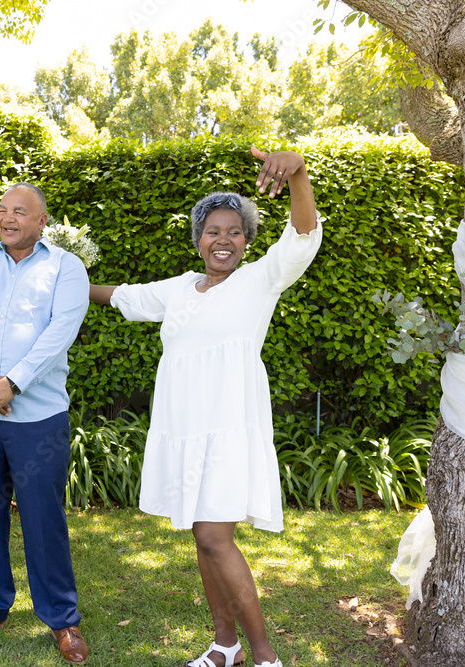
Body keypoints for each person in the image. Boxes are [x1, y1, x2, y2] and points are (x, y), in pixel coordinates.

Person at [89, 148, 322, 667]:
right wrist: (61, 279)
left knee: (215, 536)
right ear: (198, 239)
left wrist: (299, 173)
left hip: (227, 427)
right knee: (203, 537)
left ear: (247, 241)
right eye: (213, 230)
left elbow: (303, 236)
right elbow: (118, 295)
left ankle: (264, 657)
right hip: (184, 427)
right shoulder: (176, 290)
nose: (224, 239)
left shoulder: (260, 280)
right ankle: (226, 646)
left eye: (235, 231)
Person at [0, 182, 91, 664]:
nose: (8, 218)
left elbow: (60, 332)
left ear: (42, 221)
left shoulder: (65, 268)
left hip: (38, 417)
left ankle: (61, 619)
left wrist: (11, 384)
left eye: (20, 211)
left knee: (43, 517)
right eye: (3, 210)